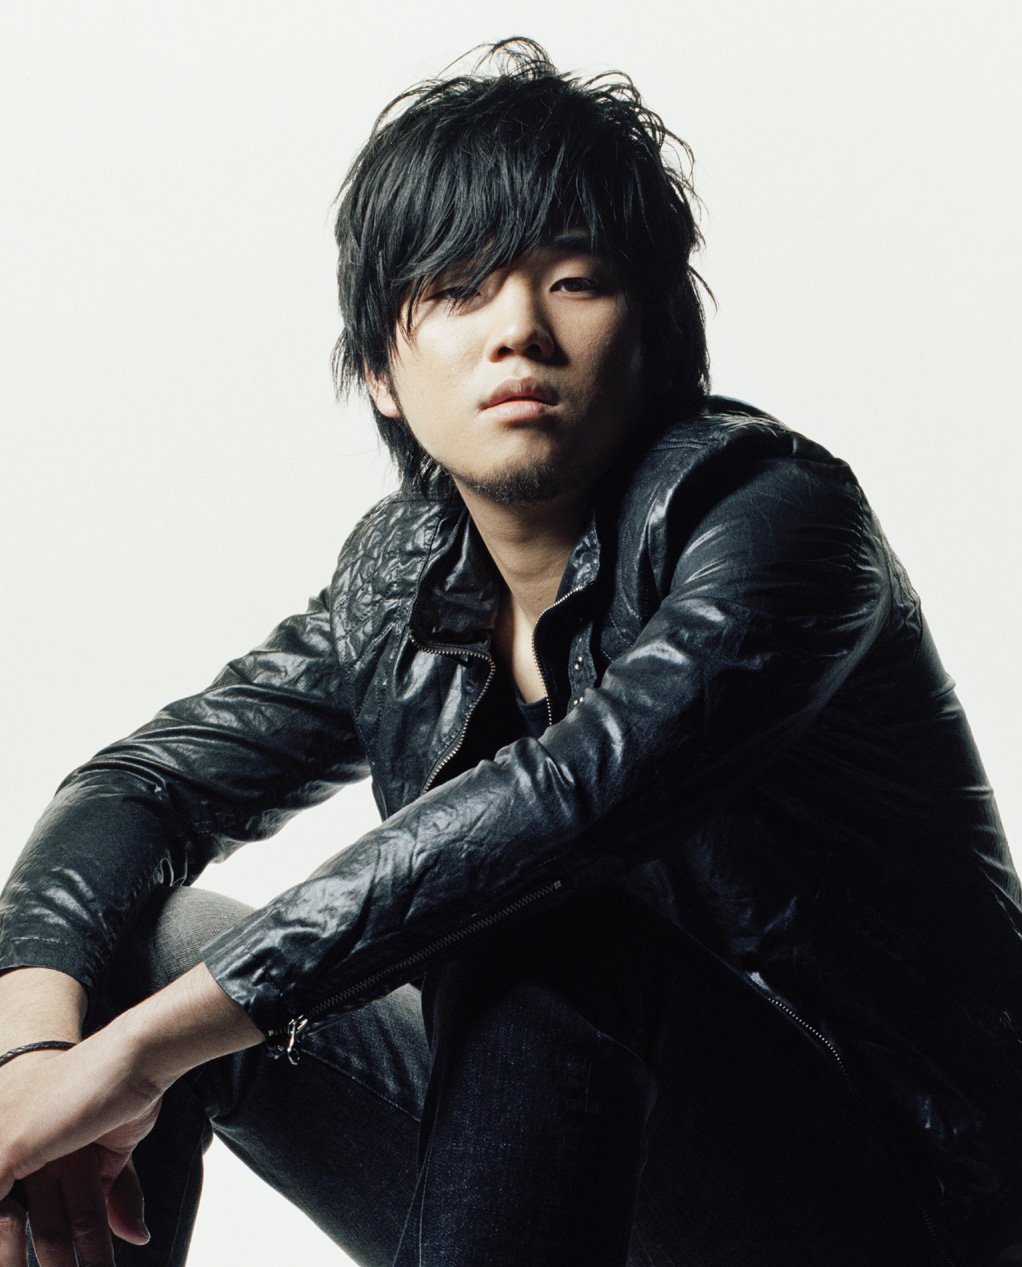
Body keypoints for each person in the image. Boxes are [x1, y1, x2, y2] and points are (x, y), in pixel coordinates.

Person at [0, 36, 1019, 1267]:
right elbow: (144, 785)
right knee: (136, 944)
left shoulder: (770, 522)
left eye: (574, 281)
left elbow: (560, 809)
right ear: (380, 371)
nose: (518, 330)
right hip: (569, 1180)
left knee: (534, 914)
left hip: (896, 1207)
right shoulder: (403, 584)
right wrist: (38, 1053)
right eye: (458, 291)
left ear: (657, 339)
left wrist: (139, 1052)